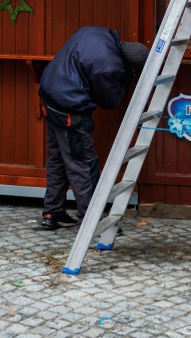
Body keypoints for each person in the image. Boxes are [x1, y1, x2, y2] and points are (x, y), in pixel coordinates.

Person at [38, 26, 148, 230]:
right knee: (83, 163)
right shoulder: (110, 67)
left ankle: (52, 212)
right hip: (69, 108)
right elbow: (109, 101)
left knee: (59, 158)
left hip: (49, 95)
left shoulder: (97, 33)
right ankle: (91, 221)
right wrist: (125, 79)